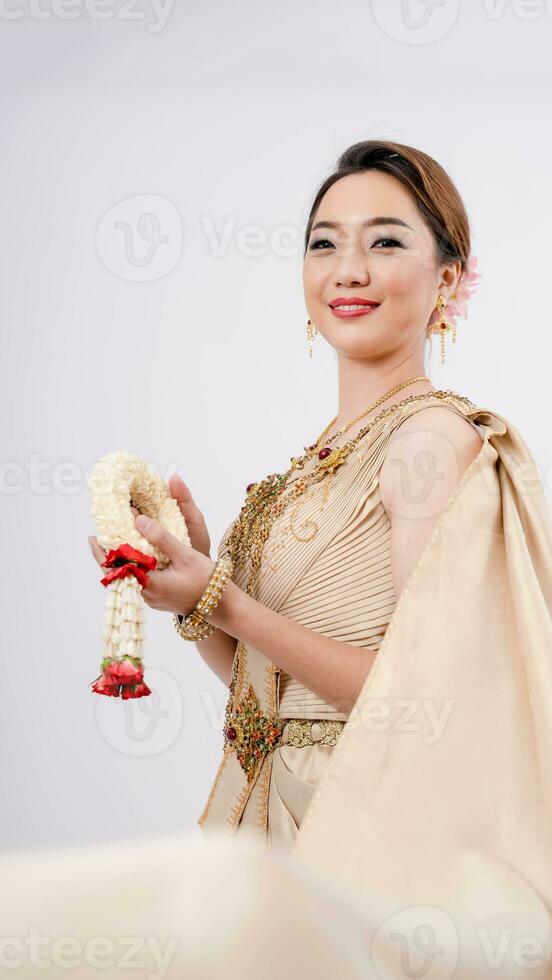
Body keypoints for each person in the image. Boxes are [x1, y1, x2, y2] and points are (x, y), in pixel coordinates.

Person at [88, 142, 552, 945]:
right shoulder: (318, 460)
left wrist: (222, 596)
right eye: (325, 241)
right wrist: (195, 594)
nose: (348, 268)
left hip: (369, 842)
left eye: (386, 241)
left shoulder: (427, 444)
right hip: (275, 822)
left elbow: (424, 707)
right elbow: (267, 692)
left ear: (448, 278)